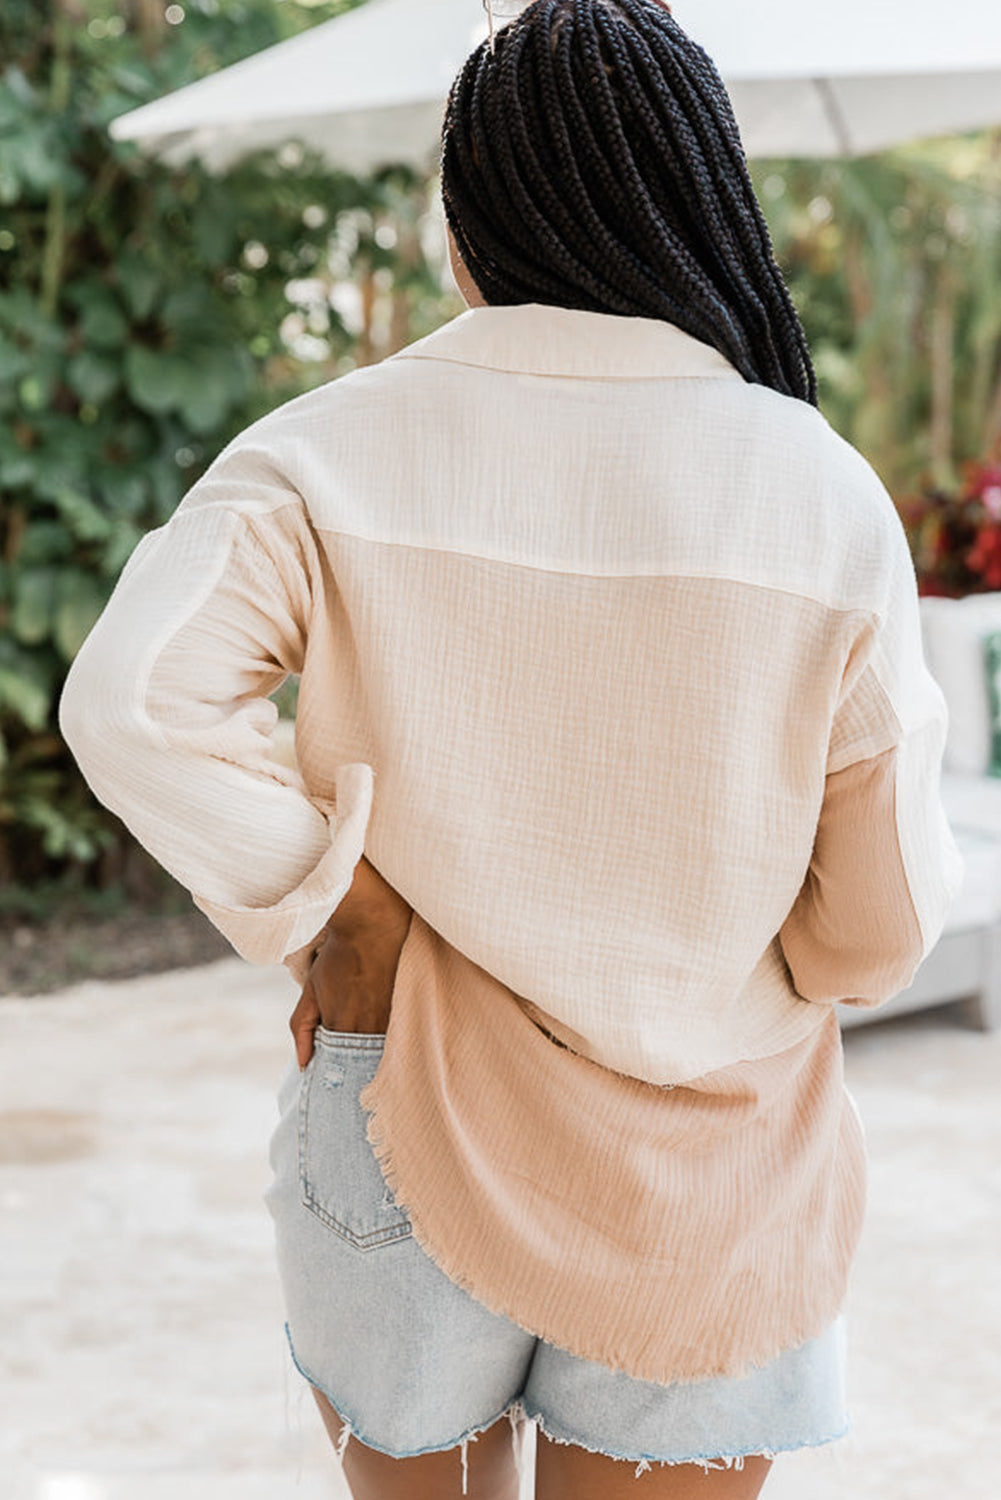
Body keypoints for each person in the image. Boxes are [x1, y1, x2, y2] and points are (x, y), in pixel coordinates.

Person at [59, 2, 963, 1497]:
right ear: (698, 194)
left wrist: (343, 916)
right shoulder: (815, 490)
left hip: (397, 1085)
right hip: (705, 1161)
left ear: (466, 214)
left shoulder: (323, 446)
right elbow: (872, 932)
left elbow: (133, 705)